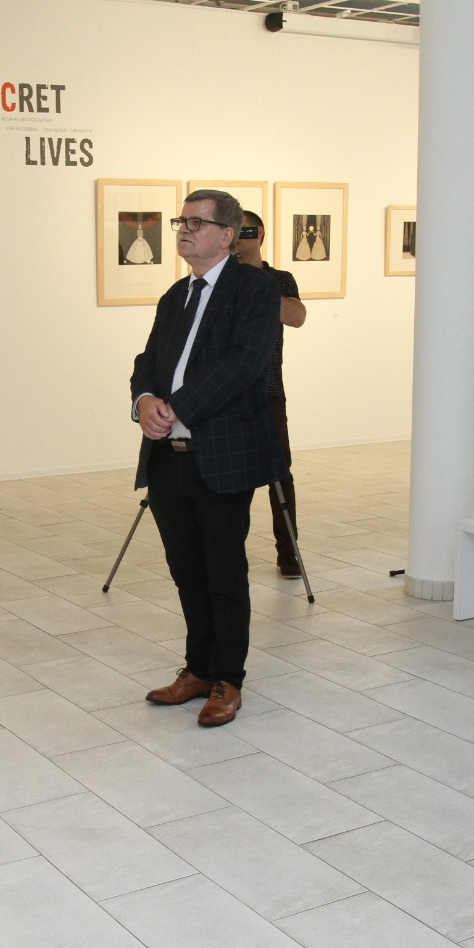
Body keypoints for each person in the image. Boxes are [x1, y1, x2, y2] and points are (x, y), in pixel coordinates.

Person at [132, 189, 282, 727]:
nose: (184, 229)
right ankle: (197, 669)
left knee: (224, 572)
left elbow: (244, 365)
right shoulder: (176, 295)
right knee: (186, 571)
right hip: (167, 457)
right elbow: (148, 359)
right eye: (182, 220)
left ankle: (227, 679)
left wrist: (177, 406)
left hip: (222, 457)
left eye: (197, 222)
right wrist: (144, 401)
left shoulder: (255, 289)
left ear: (227, 235)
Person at [235, 210, 307, 577]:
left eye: (244, 230)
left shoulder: (279, 279)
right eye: (231, 230)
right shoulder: (217, 277)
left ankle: (288, 553)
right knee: (232, 476)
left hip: (268, 391)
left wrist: (257, 287)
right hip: (226, 395)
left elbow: (296, 317)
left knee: (280, 474)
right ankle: (230, 552)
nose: (237, 237)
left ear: (260, 233)